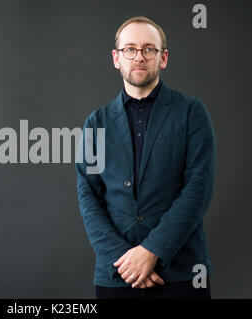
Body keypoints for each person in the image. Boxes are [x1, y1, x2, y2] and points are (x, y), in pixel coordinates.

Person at [75, 16, 216, 299]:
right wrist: (125, 260)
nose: (138, 56)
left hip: (182, 274)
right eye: (129, 49)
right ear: (116, 58)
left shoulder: (191, 112)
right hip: (116, 274)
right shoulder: (96, 123)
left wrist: (153, 251)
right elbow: (89, 195)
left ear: (163, 58)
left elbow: (199, 187)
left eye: (148, 49)